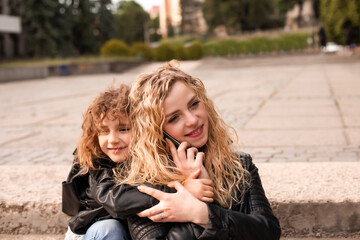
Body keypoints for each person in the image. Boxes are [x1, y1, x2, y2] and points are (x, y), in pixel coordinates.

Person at [119, 60, 281, 239]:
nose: (192, 120)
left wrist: (202, 212)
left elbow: (269, 231)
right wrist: (193, 198)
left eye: (194, 104)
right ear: (155, 133)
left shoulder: (239, 165)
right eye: (174, 118)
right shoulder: (144, 185)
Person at [62, 84, 214, 240]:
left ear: (142, 130)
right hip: (89, 231)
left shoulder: (147, 158)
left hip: (125, 231)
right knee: (109, 229)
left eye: (123, 129)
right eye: (104, 131)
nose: (113, 140)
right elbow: (117, 200)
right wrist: (182, 191)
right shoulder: (99, 163)